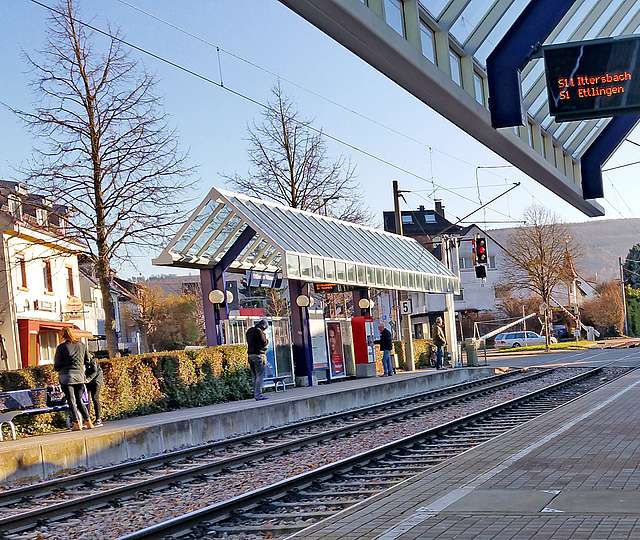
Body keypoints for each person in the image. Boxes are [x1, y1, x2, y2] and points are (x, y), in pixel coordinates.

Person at [54, 327, 93, 430]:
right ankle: (88, 421)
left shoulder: (61, 347)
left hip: (67, 378)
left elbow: (56, 365)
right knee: (79, 400)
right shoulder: (82, 345)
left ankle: (77, 423)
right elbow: (88, 360)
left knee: (71, 401)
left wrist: (63, 365)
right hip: (80, 377)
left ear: (63, 335)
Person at [246, 319, 269, 401]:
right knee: (260, 375)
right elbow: (264, 343)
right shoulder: (259, 331)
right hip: (258, 355)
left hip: (250, 355)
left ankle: (255, 393)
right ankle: (258, 395)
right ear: (264, 326)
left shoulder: (249, 331)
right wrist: (266, 340)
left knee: (254, 375)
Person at [84, 351, 104, 427]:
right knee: (87, 400)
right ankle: (87, 420)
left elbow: (94, 372)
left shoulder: (93, 361)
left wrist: (88, 379)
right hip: (89, 382)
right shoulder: (86, 362)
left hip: (96, 382)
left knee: (95, 398)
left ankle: (98, 419)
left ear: (91, 355)